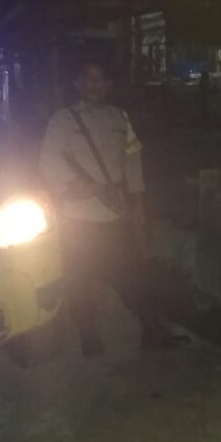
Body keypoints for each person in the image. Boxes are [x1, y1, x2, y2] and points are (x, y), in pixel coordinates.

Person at [39, 59, 190, 356]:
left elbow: (133, 160)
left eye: (101, 79)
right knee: (79, 280)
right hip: (79, 218)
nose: (95, 85)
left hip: (115, 213)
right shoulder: (63, 120)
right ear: (78, 84)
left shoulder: (120, 118)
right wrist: (90, 188)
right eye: (89, 78)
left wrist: (138, 203)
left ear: (109, 84)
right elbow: (48, 162)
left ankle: (151, 329)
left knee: (133, 274)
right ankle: (88, 334)